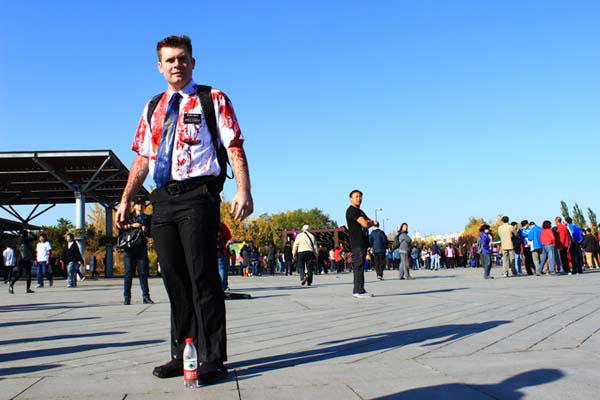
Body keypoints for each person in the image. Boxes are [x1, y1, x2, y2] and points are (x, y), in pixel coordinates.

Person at [116, 35, 253, 382]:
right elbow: (143, 157)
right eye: (170, 60)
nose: (177, 64)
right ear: (159, 67)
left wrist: (243, 189)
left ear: (193, 62)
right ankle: (183, 352)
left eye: (182, 58)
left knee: (202, 276)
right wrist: (126, 198)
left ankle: (212, 357)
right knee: (174, 278)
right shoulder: (152, 107)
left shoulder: (212, 99)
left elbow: (233, 143)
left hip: (198, 195)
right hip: (162, 199)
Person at [121, 198, 154, 305]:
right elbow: (120, 229)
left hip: (141, 248)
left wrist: (146, 230)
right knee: (128, 273)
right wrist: (132, 225)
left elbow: (151, 233)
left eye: (142, 204)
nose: (140, 206)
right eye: (138, 204)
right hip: (129, 248)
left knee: (143, 273)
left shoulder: (148, 218)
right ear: (134, 206)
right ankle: (127, 297)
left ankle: (146, 296)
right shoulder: (128, 216)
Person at [346, 190, 374, 298]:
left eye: (360, 197)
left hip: (362, 242)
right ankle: (358, 291)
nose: (359, 199)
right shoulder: (352, 211)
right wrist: (373, 223)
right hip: (357, 242)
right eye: (356, 196)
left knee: (361, 266)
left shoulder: (360, 211)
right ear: (351, 199)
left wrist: (370, 222)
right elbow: (366, 223)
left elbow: (368, 220)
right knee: (358, 266)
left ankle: (360, 289)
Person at [9, 230, 35, 294]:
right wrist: (30, 232)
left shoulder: (17, 240)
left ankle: (11, 284)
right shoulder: (27, 239)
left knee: (19, 274)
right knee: (28, 274)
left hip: (19, 259)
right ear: (26, 234)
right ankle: (28, 289)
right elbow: (35, 238)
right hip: (27, 259)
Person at [217, 222, 232, 289]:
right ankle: (222, 287)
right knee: (222, 269)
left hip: (209, 251)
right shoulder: (222, 225)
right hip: (221, 250)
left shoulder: (206, 223)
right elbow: (229, 237)